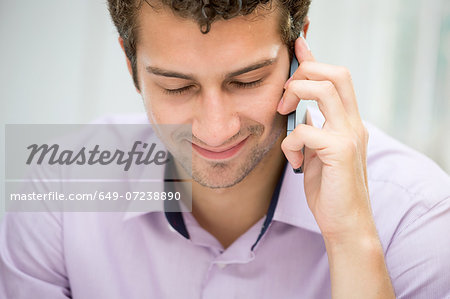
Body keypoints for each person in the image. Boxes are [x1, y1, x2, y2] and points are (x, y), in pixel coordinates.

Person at [1, 0, 449, 298]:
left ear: (300, 52)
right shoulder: (60, 185)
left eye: (247, 81)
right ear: (129, 61)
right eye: (176, 86)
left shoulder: (417, 213)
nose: (215, 130)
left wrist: (352, 239)